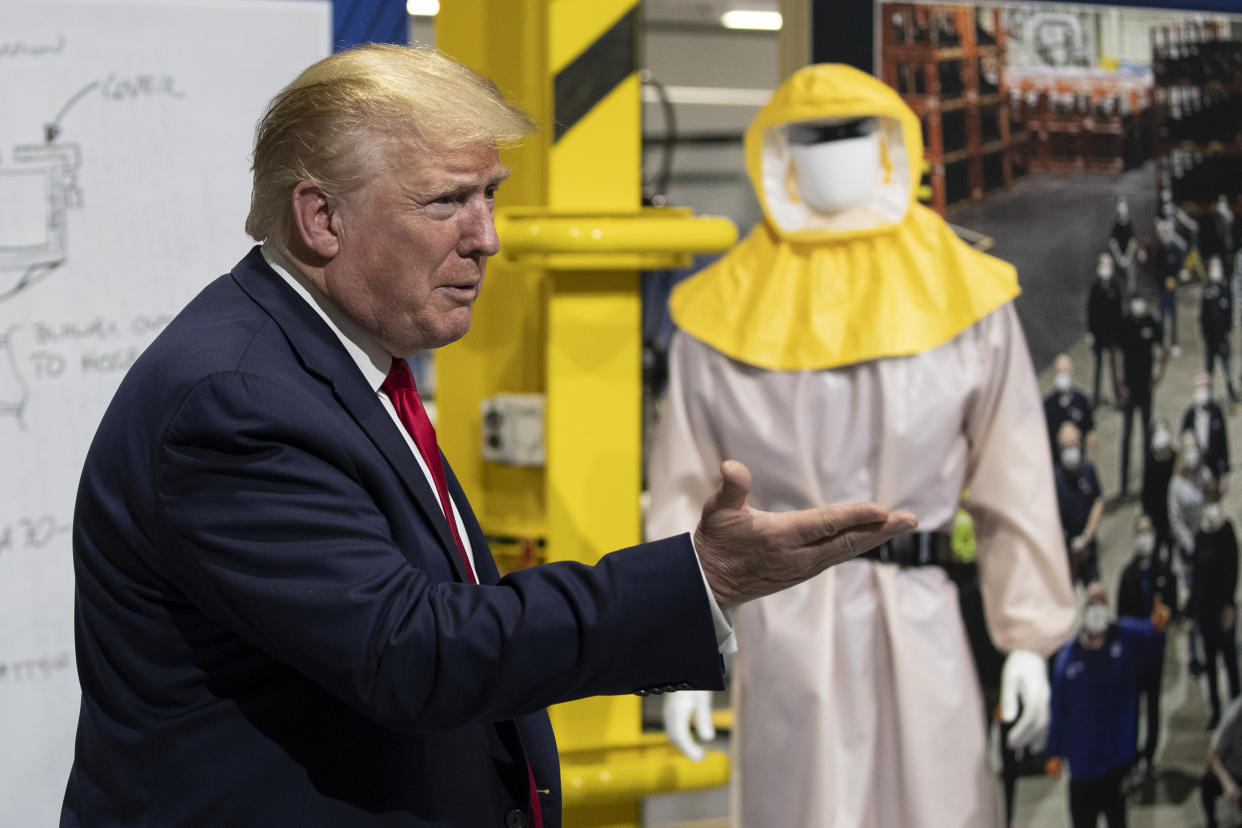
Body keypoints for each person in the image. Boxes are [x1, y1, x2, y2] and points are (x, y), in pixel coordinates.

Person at [58, 45, 919, 827]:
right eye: (447, 203)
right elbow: (415, 651)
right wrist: (703, 577)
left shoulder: (330, 360)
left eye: (491, 196)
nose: (488, 239)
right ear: (320, 219)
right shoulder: (235, 404)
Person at [646, 64, 1075, 828]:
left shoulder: (967, 301)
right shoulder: (717, 318)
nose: (833, 153)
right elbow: (683, 502)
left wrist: (1031, 639)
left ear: (890, 146)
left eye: (852, 133)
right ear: (776, 153)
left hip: (921, 617)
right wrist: (677, 658)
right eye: (812, 136)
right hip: (786, 632)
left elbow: (1016, 483)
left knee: (938, 803)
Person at [1045, 582, 1170, 828]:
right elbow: (1058, 708)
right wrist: (1053, 751)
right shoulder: (1068, 658)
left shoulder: (1124, 639)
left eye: (1102, 603)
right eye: (1092, 603)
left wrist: (1159, 627)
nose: (1097, 610)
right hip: (1082, 767)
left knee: (1117, 820)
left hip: (1114, 762)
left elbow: (1152, 640)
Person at [1117, 513, 1178, 775]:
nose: (1145, 538)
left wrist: (1166, 615)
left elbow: (1173, 604)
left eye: (1148, 531)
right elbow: (1121, 617)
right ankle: (1131, 757)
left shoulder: (1163, 571)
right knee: (1132, 707)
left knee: (1152, 706)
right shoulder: (1128, 574)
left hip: (1154, 652)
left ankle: (1149, 756)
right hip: (1133, 654)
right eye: (1140, 532)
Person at [1190, 482, 1241, 728]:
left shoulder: (1226, 531)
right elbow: (1196, 572)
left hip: (1223, 608)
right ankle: (1216, 710)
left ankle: (1237, 708)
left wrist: (1230, 605)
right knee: (1210, 662)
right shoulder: (1200, 535)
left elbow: (1232, 569)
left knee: (1230, 661)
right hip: (1205, 609)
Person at [1118, 292, 1168, 496]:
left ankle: (1148, 483)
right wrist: (1119, 382)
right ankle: (1124, 485)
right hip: (1130, 388)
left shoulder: (1151, 323)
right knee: (1127, 436)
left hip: (1146, 388)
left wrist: (1159, 372)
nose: (1139, 306)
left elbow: (1163, 347)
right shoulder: (1125, 324)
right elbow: (1117, 353)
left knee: (1146, 436)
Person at [1055, 421, 1104, 587]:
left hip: (1088, 548)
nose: (1071, 451)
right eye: (1066, 446)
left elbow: (1098, 501)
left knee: (1095, 592)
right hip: (1064, 554)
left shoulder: (1088, 471)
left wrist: (1087, 536)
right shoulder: (1054, 479)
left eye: (1074, 445)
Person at [1182, 370, 1232, 491]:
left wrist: (1224, 474)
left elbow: (1223, 443)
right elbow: (1182, 443)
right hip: (1194, 469)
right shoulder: (1190, 414)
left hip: (1213, 468)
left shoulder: (1216, 412)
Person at [1087, 253, 1125, 408]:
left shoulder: (1115, 287)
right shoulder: (1096, 287)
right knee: (1098, 366)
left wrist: (1120, 334)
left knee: (1114, 367)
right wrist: (1090, 332)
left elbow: (1119, 311)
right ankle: (1096, 397)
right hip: (1098, 334)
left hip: (1112, 334)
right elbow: (1090, 310)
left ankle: (1117, 397)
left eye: (1107, 264)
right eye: (1103, 264)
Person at [1044, 353, 1097, 461]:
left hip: (1079, 462)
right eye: (1059, 371)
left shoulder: (1081, 399)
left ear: (1071, 372)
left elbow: (1091, 434)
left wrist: (1091, 462)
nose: (1062, 375)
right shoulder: (1047, 404)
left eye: (1065, 371)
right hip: (1055, 464)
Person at [1201, 256, 1238, 403]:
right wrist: (1205, 336)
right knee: (1209, 369)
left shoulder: (1225, 290)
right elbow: (1203, 317)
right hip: (1210, 340)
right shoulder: (1207, 290)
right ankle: (1207, 394)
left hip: (1222, 338)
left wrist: (1227, 335)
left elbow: (1228, 316)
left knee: (1226, 367)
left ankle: (1231, 391)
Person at [1203, 695, 1242, 828]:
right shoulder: (1235, 715)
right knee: (1208, 780)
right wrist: (1228, 784)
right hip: (1233, 774)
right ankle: (1211, 822)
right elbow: (1211, 756)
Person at [1141, 419, 1178, 563]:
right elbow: (1146, 491)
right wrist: (1147, 515)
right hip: (1157, 514)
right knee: (1156, 551)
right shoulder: (1150, 461)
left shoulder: (1175, 457)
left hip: (1172, 512)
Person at [1153, 218, 1188, 358]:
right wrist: (1164, 281)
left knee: (1173, 318)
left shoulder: (1176, 251)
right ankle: (1160, 344)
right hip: (1162, 290)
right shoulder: (1160, 252)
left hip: (1173, 291)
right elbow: (1156, 271)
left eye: (1169, 232)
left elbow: (1180, 269)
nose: (1167, 235)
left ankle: (1174, 344)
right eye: (1165, 232)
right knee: (1161, 318)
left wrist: (1176, 279)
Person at [1109, 194, 1139, 294]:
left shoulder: (1129, 223)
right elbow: (1113, 242)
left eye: (1123, 207)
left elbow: (1133, 242)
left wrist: (1127, 257)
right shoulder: (1116, 224)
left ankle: (1131, 296)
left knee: (1131, 278)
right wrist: (1119, 258)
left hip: (1128, 257)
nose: (1122, 210)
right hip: (1119, 258)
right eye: (1120, 207)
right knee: (1116, 279)